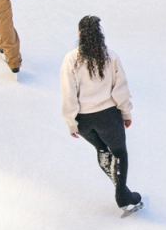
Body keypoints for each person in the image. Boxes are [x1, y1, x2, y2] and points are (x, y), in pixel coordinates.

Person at [61, 16, 142, 216]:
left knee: (102, 148)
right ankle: (123, 195)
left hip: (84, 120)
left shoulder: (71, 59)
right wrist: (126, 112)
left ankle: (123, 190)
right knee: (119, 153)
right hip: (109, 117)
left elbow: (68, 93)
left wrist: (71, 122)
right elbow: (120, 89)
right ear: (100, 34)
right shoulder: (111, 57)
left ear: (80, 34)